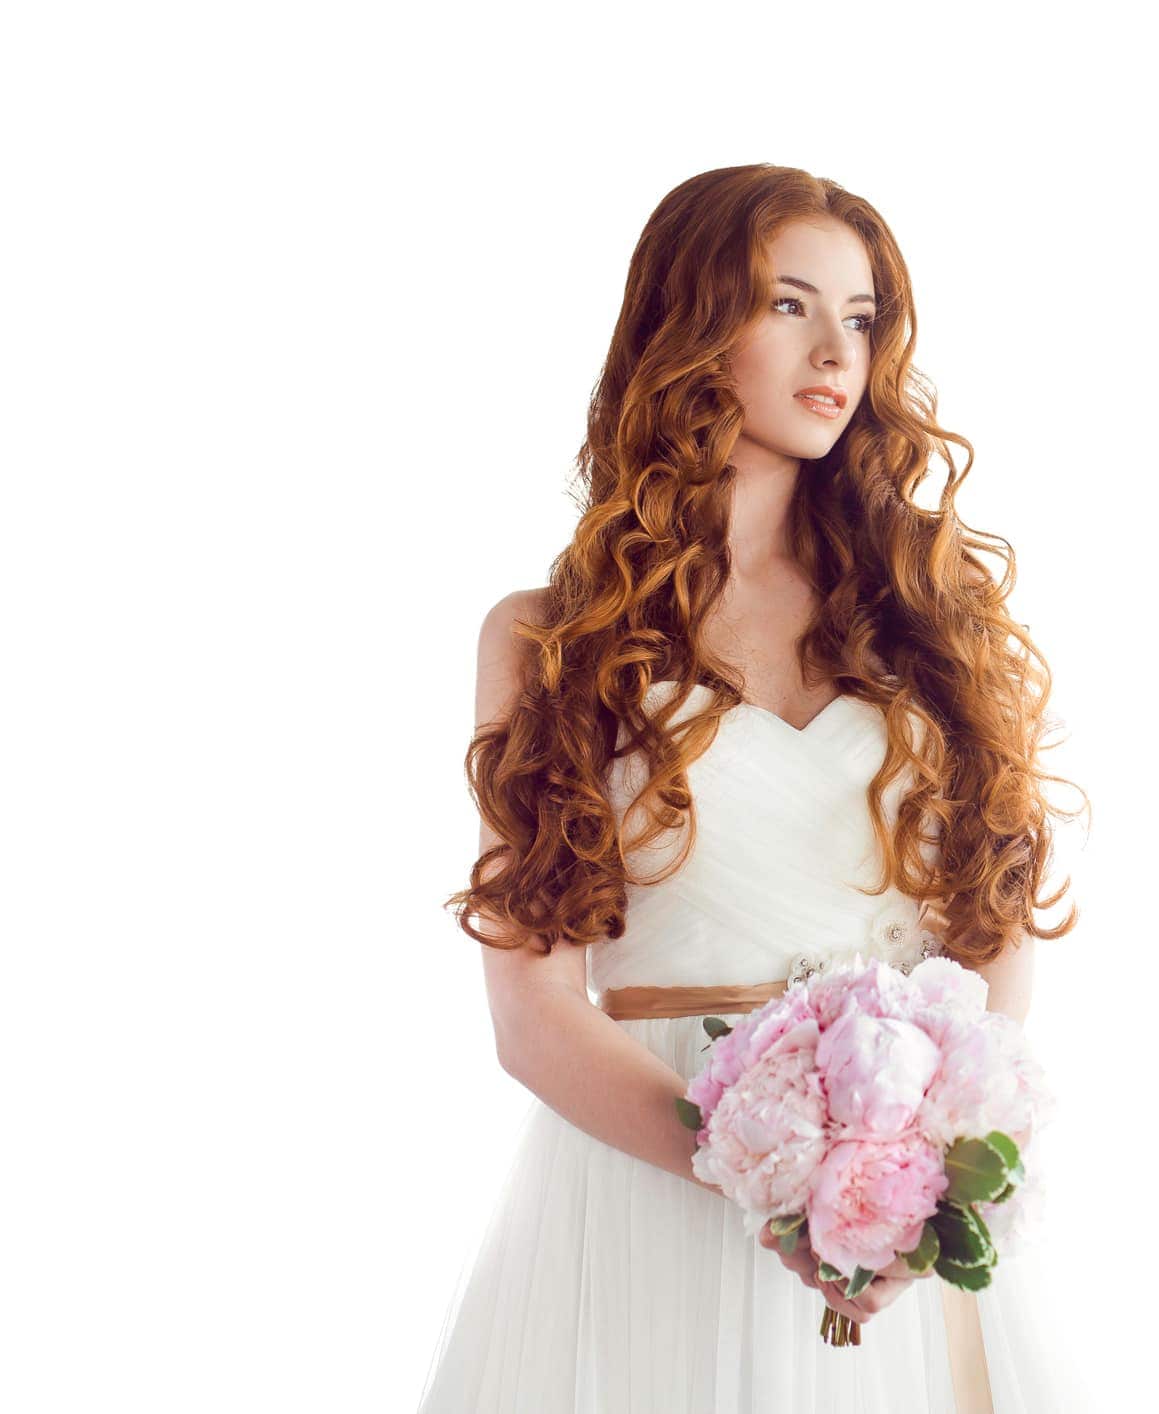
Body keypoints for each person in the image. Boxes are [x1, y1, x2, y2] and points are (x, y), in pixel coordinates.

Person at [415, 165, 1089, 1412]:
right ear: (688, 323)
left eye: (862, 317)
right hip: (652, 1190)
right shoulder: (549, 639)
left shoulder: (932, 619)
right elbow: (533, 1011)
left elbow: (992, 937)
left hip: (892, 1205)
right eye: (789, 304)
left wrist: (904, 1179)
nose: (838, 351)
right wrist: (776, 1181)